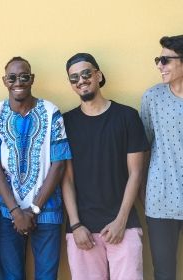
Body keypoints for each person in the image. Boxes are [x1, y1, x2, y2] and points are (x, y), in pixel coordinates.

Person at [0, 56, 72, 280]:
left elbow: (59, 164)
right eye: (12, 77)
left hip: (47, 210)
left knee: (47, 276)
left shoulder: (51, 112)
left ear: (32, 79)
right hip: (7, 213)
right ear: (5, 81)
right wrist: (15, 211)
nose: (18, 82)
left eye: (24, 77)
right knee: (11, 276)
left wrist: (34, 209)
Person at [62, 53, 149, 280]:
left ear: (98, 75)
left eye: (86, 73)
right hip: (82, 230)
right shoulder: (66, 123)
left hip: (124, 224)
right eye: (74, 78)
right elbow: (67, 179)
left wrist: (121, 221)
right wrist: (75, 225)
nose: (81, 80)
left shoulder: (127, 117)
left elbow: (136, 173)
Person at [141, 35, 183, 280]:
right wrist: (143, 192)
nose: (159, 65)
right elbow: (143, 148)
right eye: (158, 59)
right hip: (161, 200)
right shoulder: (152, 98)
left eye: (166, 60)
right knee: (164, 273)